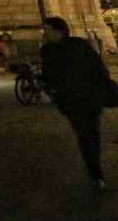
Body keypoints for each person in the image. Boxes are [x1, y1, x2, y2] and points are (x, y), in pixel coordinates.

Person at [40, 15, 113, 188]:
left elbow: (48, 76)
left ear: (57, 31)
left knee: (85, 135)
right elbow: (100, 69)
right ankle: (95, 170)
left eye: (47, 30)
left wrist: (53, 91)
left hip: (73, 100)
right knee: (91, 134)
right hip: (88, 98)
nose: (45, 33)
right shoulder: (82, 45)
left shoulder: (49, 50)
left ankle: (95, 171)